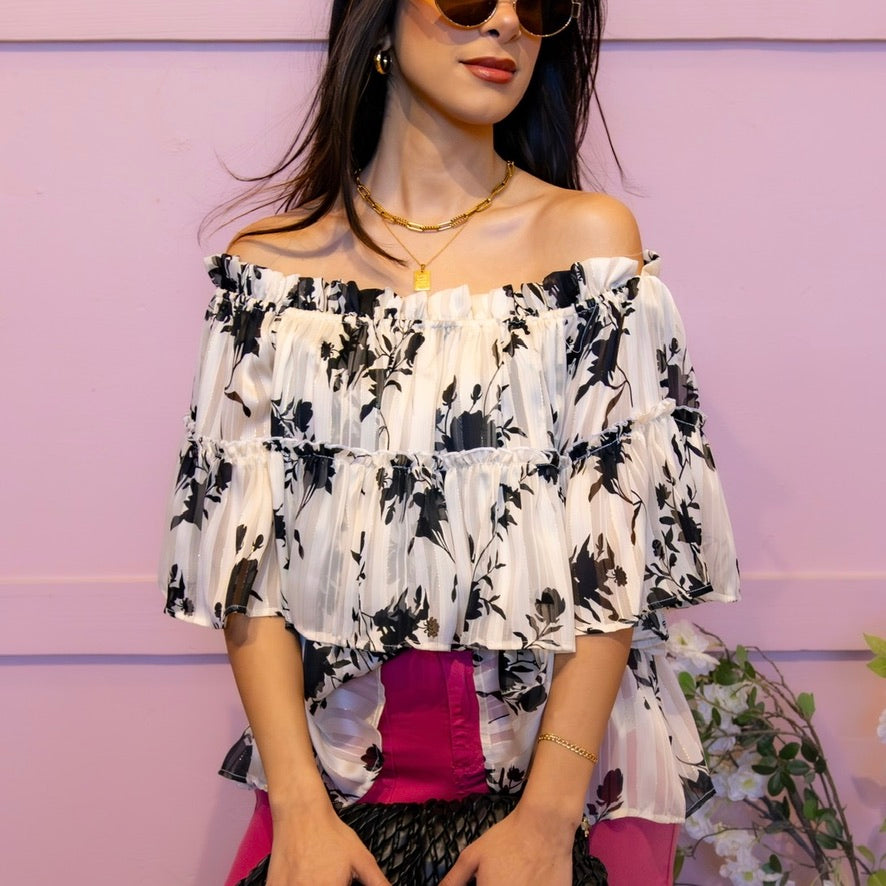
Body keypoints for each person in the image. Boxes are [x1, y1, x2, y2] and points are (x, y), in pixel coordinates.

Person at [159, 1, 740, 884]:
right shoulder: (270, 275)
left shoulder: (589, 246)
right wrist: (301, 811)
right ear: (381, 20)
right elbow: (249, 572)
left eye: (537, 5)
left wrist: (546, 822)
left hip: (570, 786)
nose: (506, 22)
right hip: (333, 779)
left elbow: (613, 554)